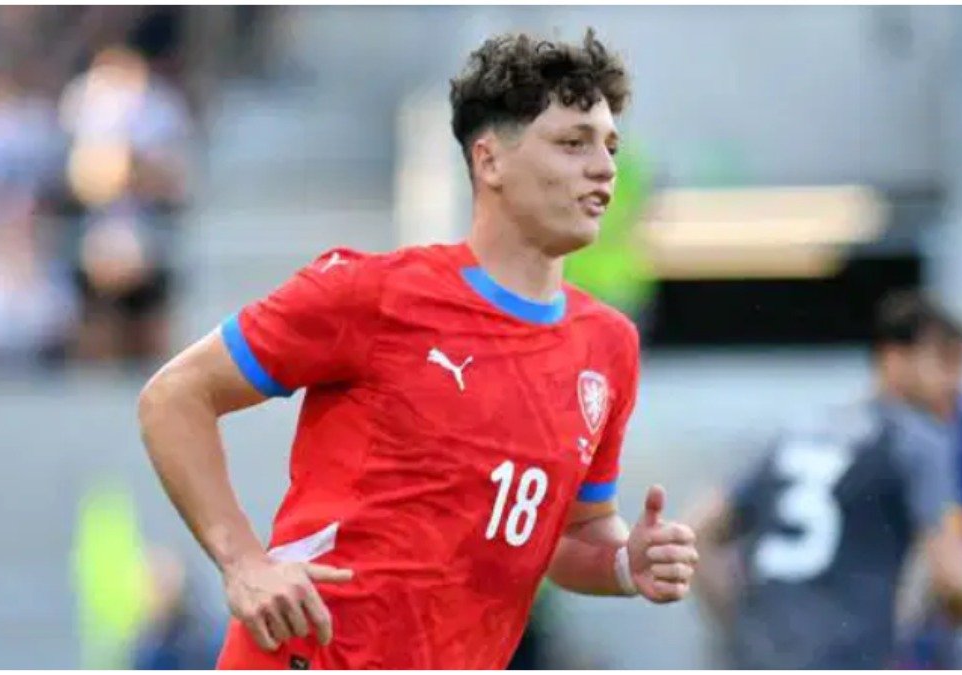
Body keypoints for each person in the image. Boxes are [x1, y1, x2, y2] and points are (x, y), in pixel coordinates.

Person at [139, 29, 699, 670]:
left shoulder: (608, 346)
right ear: (489, 161)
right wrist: (242, 562)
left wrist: (626, 564)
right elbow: (173, 396)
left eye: (609, 146)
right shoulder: (374, 294)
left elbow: (572, 533)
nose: (603, 167)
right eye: (573, 143)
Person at [688, 290, 962, 669]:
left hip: (755, 658)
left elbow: (694, 532)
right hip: (845, 657)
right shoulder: (917, 439)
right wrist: (933, 622)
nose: (958, 383)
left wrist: (741, 622)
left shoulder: (799, 430)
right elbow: (954, 581)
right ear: (893, 358)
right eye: (945, 363)